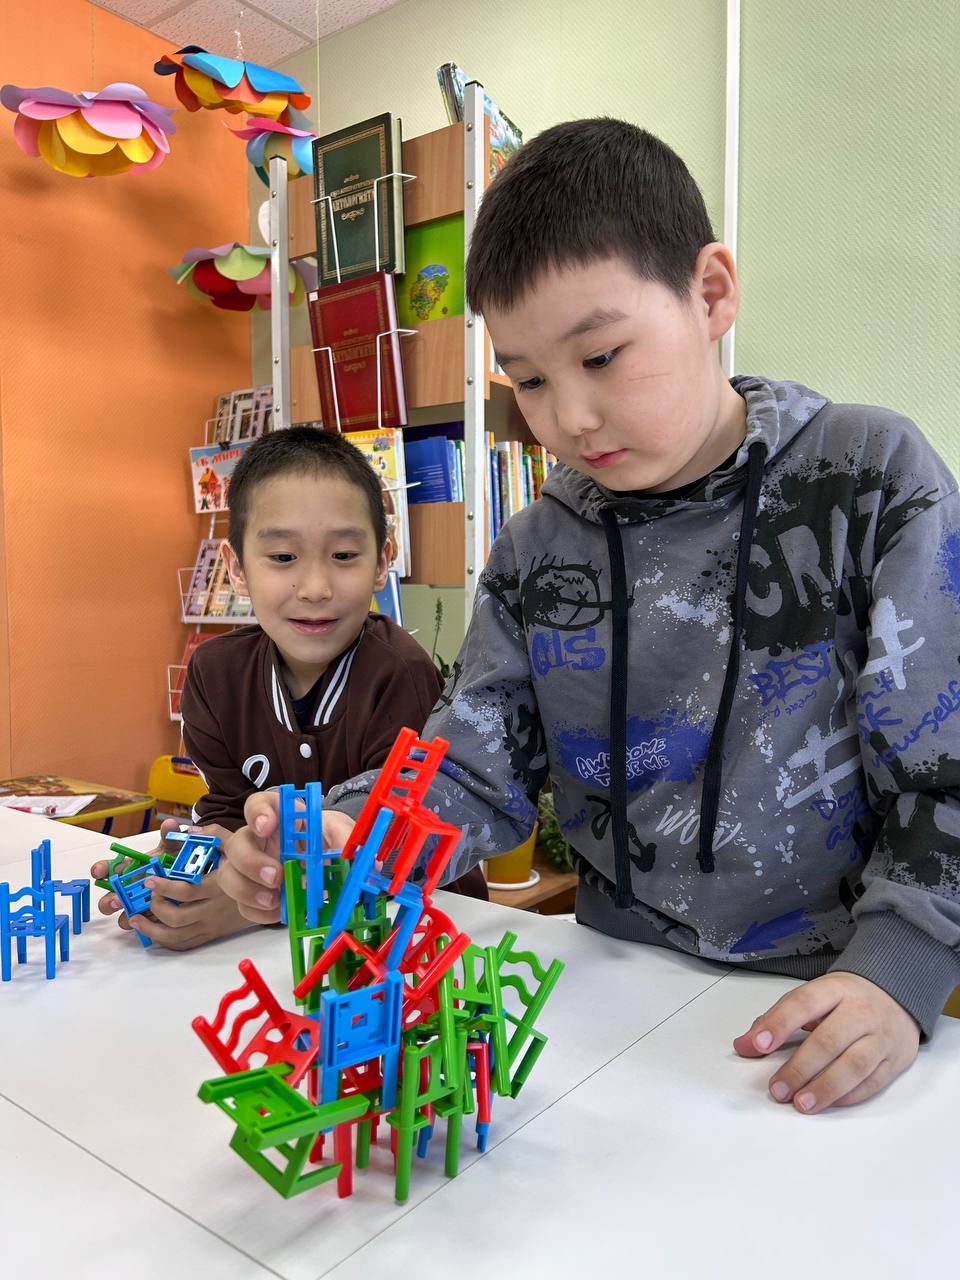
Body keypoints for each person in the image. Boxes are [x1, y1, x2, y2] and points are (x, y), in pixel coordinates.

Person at [217, 119, 960, 1113]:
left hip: (834, 995)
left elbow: (946, 765)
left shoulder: (867, 476)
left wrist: (899, 965)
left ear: (710, 294)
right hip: (613, 995)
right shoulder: (537, 545)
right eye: (527, 379)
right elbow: (476, 762)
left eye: (602, 356)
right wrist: (354, 836)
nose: (568, 418)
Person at [91, 426, 485, 948]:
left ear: (382, 563)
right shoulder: (214, 672)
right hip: (281, 948)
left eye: (344, 556)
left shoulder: (400, 674)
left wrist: (252, 905)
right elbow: (228, 811)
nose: (315, 588)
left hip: (418, 934)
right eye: (282, 557)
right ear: (236, 569)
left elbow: (397, 848)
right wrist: (191, 870)